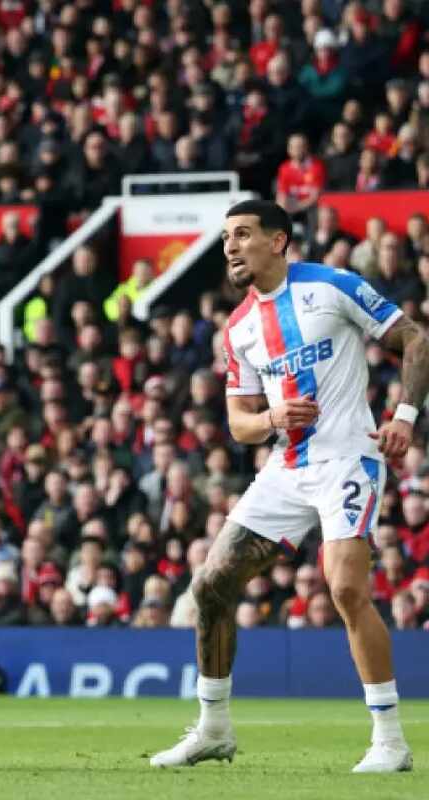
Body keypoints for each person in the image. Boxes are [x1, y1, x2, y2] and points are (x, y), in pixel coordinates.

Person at [150, 200, 423, 773]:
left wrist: (404, 417)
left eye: (242, 234)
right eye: (226, 238)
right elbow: (239, 424)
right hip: (286, 467)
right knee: (210, 586)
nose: (230, 246)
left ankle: (390, 741)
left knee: (345, 588)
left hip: (348, 458)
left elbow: (416, 340)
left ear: (277, 241)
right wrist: (272, 419)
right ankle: (213, 729)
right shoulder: (239, 328)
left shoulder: (332, 286)